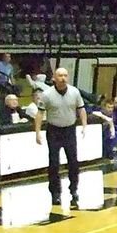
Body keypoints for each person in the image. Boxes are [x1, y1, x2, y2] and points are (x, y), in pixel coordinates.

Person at [34, 68, 87, 208]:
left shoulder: (75, 92)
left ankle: (74, 189)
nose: (63, 78)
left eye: (65, 75)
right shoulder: (47, 94)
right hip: (54, 131)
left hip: (69, 130)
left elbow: (81, 109)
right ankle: (55, 193)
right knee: (54, 163)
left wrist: (84, 125)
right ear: (54, 78)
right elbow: (39, 114)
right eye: (60, 75)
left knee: (73, 162)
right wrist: (37, 132)